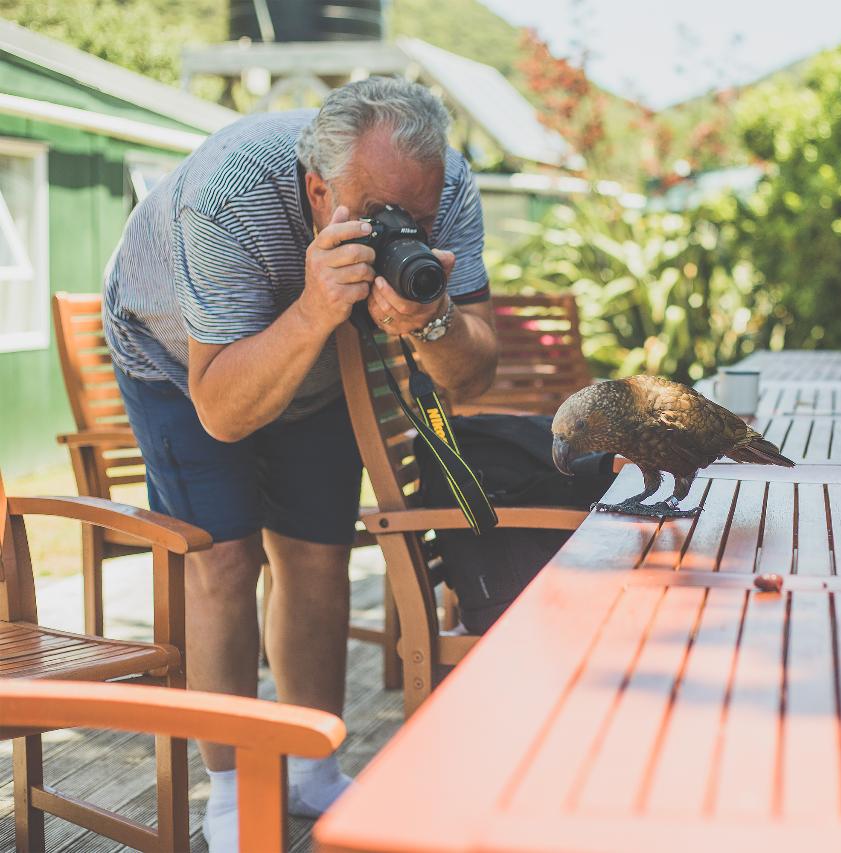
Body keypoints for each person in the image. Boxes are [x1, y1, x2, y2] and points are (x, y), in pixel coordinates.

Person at [102, 77, 498, 851]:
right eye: (378, 215)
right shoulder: (229, 191)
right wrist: (316, 308)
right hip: (179, 356)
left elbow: (475, 372)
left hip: (319, 362)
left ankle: (311, 765)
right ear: (319, 190)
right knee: (224, 557)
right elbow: (220, 408)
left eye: (413, 218)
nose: (402, 230)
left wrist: (435, 318)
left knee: (316, 553)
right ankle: (233, 788)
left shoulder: (444, 183)